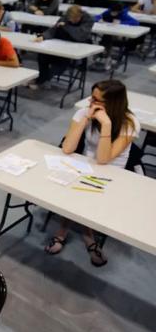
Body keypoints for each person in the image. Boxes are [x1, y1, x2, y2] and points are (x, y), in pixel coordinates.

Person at [45, 80, 140, 267]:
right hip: (86, 165)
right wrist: (85, 119)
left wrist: (106, 124)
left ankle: (78, 233)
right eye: (92, 96)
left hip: (112, 172)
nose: (90, 101)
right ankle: (75, 232)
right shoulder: (84, 112)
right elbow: (68, 148)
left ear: (112, 103)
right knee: (69, 188)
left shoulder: (130, 122)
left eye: (96, 99)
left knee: (85, 196)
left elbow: (104, 159)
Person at [29, 5, 93, 90]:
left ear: (80, 16)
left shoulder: (88, 20)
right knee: (42, 55)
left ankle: (41, 80)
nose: (72, 21)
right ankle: (44, 80)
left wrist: (66, 26)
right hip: (62, 44)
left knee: (61, 62)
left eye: (74, 19)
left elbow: (79, 35)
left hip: (78, 47)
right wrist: (43, 36)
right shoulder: (66, 17)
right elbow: (53, 30)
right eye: (70, 19)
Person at [95, 2, 140, 70]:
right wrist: (99, 19)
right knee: (107, 37)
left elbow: (136, 22)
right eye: (112, 11)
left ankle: (106, 55)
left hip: (120, 35)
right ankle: (107, 56)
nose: (112, 13)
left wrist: (121, 22)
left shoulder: (123, 14)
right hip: (109, 32)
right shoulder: (108, 11)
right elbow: (97, 16)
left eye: (115, 12)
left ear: (119, 11)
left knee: (107, 38)